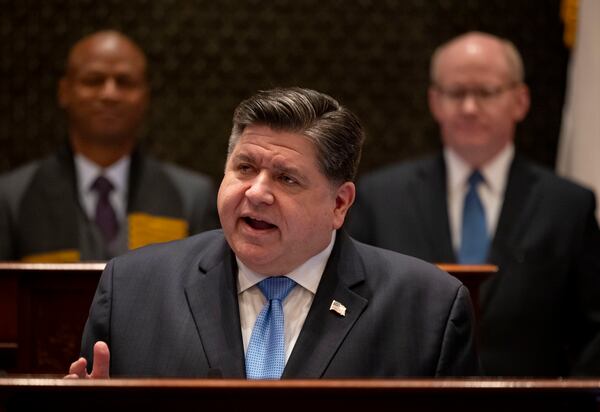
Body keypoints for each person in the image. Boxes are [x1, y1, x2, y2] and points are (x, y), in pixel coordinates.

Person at [66, 87, 479, 379]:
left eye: (287, 179)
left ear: (339, 204)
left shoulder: (428, 309)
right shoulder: (133, 288)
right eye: (244, 168)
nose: (257, 192)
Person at [348, 32, 600, 376]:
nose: (469, 107)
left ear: (521, 101)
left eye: (486, 92)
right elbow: (354, 312)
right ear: (434, 102)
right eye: (455, 93)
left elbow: (594, 330)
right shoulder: (380, 197)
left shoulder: (568, 205)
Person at [0, 30, 218, 262]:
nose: (109, 94)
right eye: (94, 80)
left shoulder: (192, 198)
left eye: (124, 82)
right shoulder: (11, 198)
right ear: (64, 92)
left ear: (145, 96)